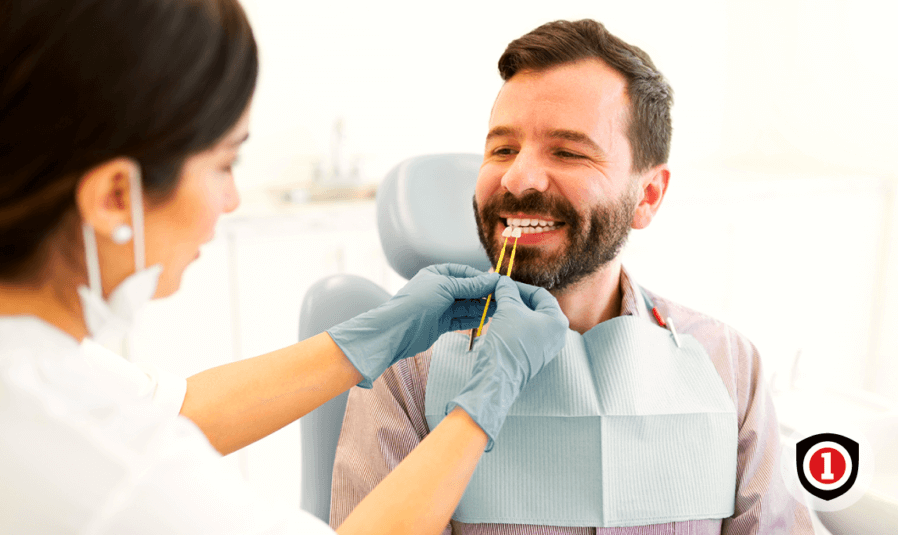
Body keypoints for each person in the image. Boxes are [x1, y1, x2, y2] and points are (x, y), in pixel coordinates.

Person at [0, 1, 571, 534]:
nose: (232, 198)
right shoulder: (101, 470)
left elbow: (167, 408)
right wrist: (478, 411)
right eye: (225, 162)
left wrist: (366, 338)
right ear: (115, 194)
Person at [330, 19, 815, 535]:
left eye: (568, 151)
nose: (518, 178)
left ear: (647, 197)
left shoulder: (727, 368)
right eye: (502, 149)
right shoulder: (407, 375)